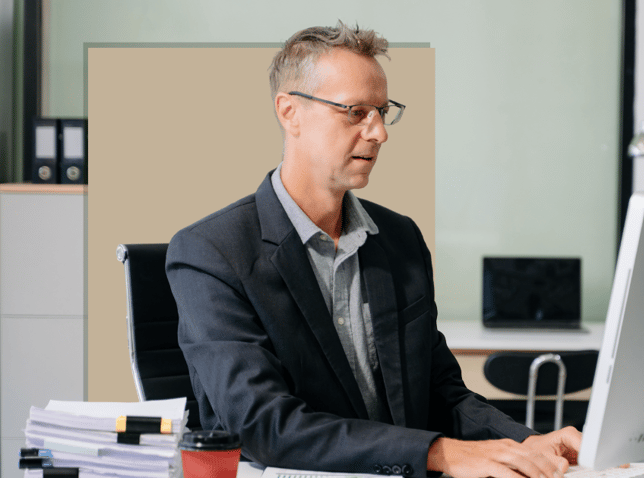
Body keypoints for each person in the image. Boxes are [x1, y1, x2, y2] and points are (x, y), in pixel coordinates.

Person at [166, 22, 581, 478]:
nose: (379, 132)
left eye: (382, 111)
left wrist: (528, 442)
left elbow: (441, 393)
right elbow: (263, 426)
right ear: (290, 112)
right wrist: (441, 453)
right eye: (356, 111)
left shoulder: (399, 239)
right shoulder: (210, 253)